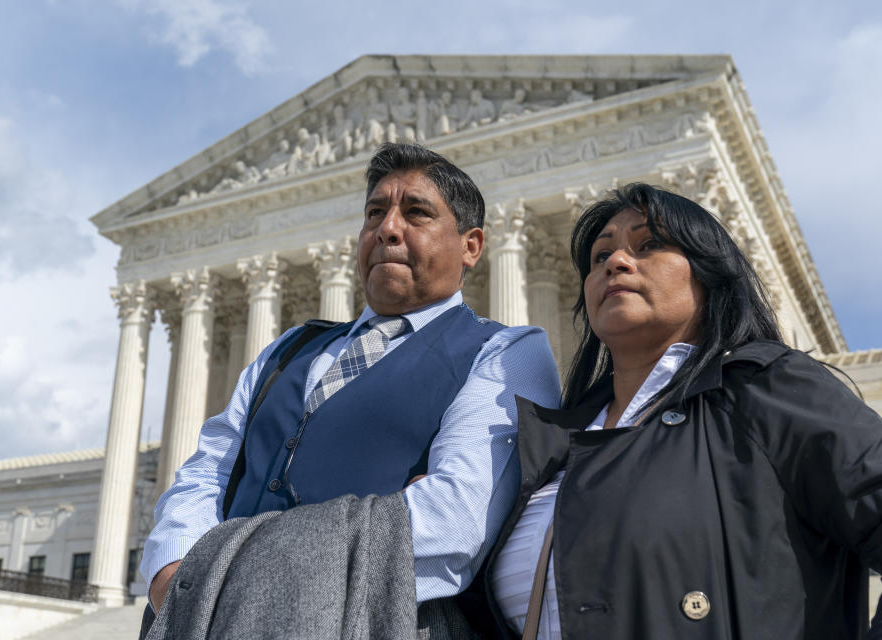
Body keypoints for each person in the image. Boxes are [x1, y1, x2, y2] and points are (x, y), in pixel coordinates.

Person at [142, 142, 561, 616]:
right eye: (374, 212)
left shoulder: (504, 351)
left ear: (471, 246)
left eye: (417, 213)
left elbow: (453, 522)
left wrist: (234, 577)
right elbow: (209, 469)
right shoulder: (291, 349)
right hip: (206, 618)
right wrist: (172, 569)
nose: (387, 229)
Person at [485, 183, 882, 639]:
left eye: (649, 244)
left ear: (709, 273)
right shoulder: (552, 445)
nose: (616, 261)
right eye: (599, 257)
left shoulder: (766, 389)